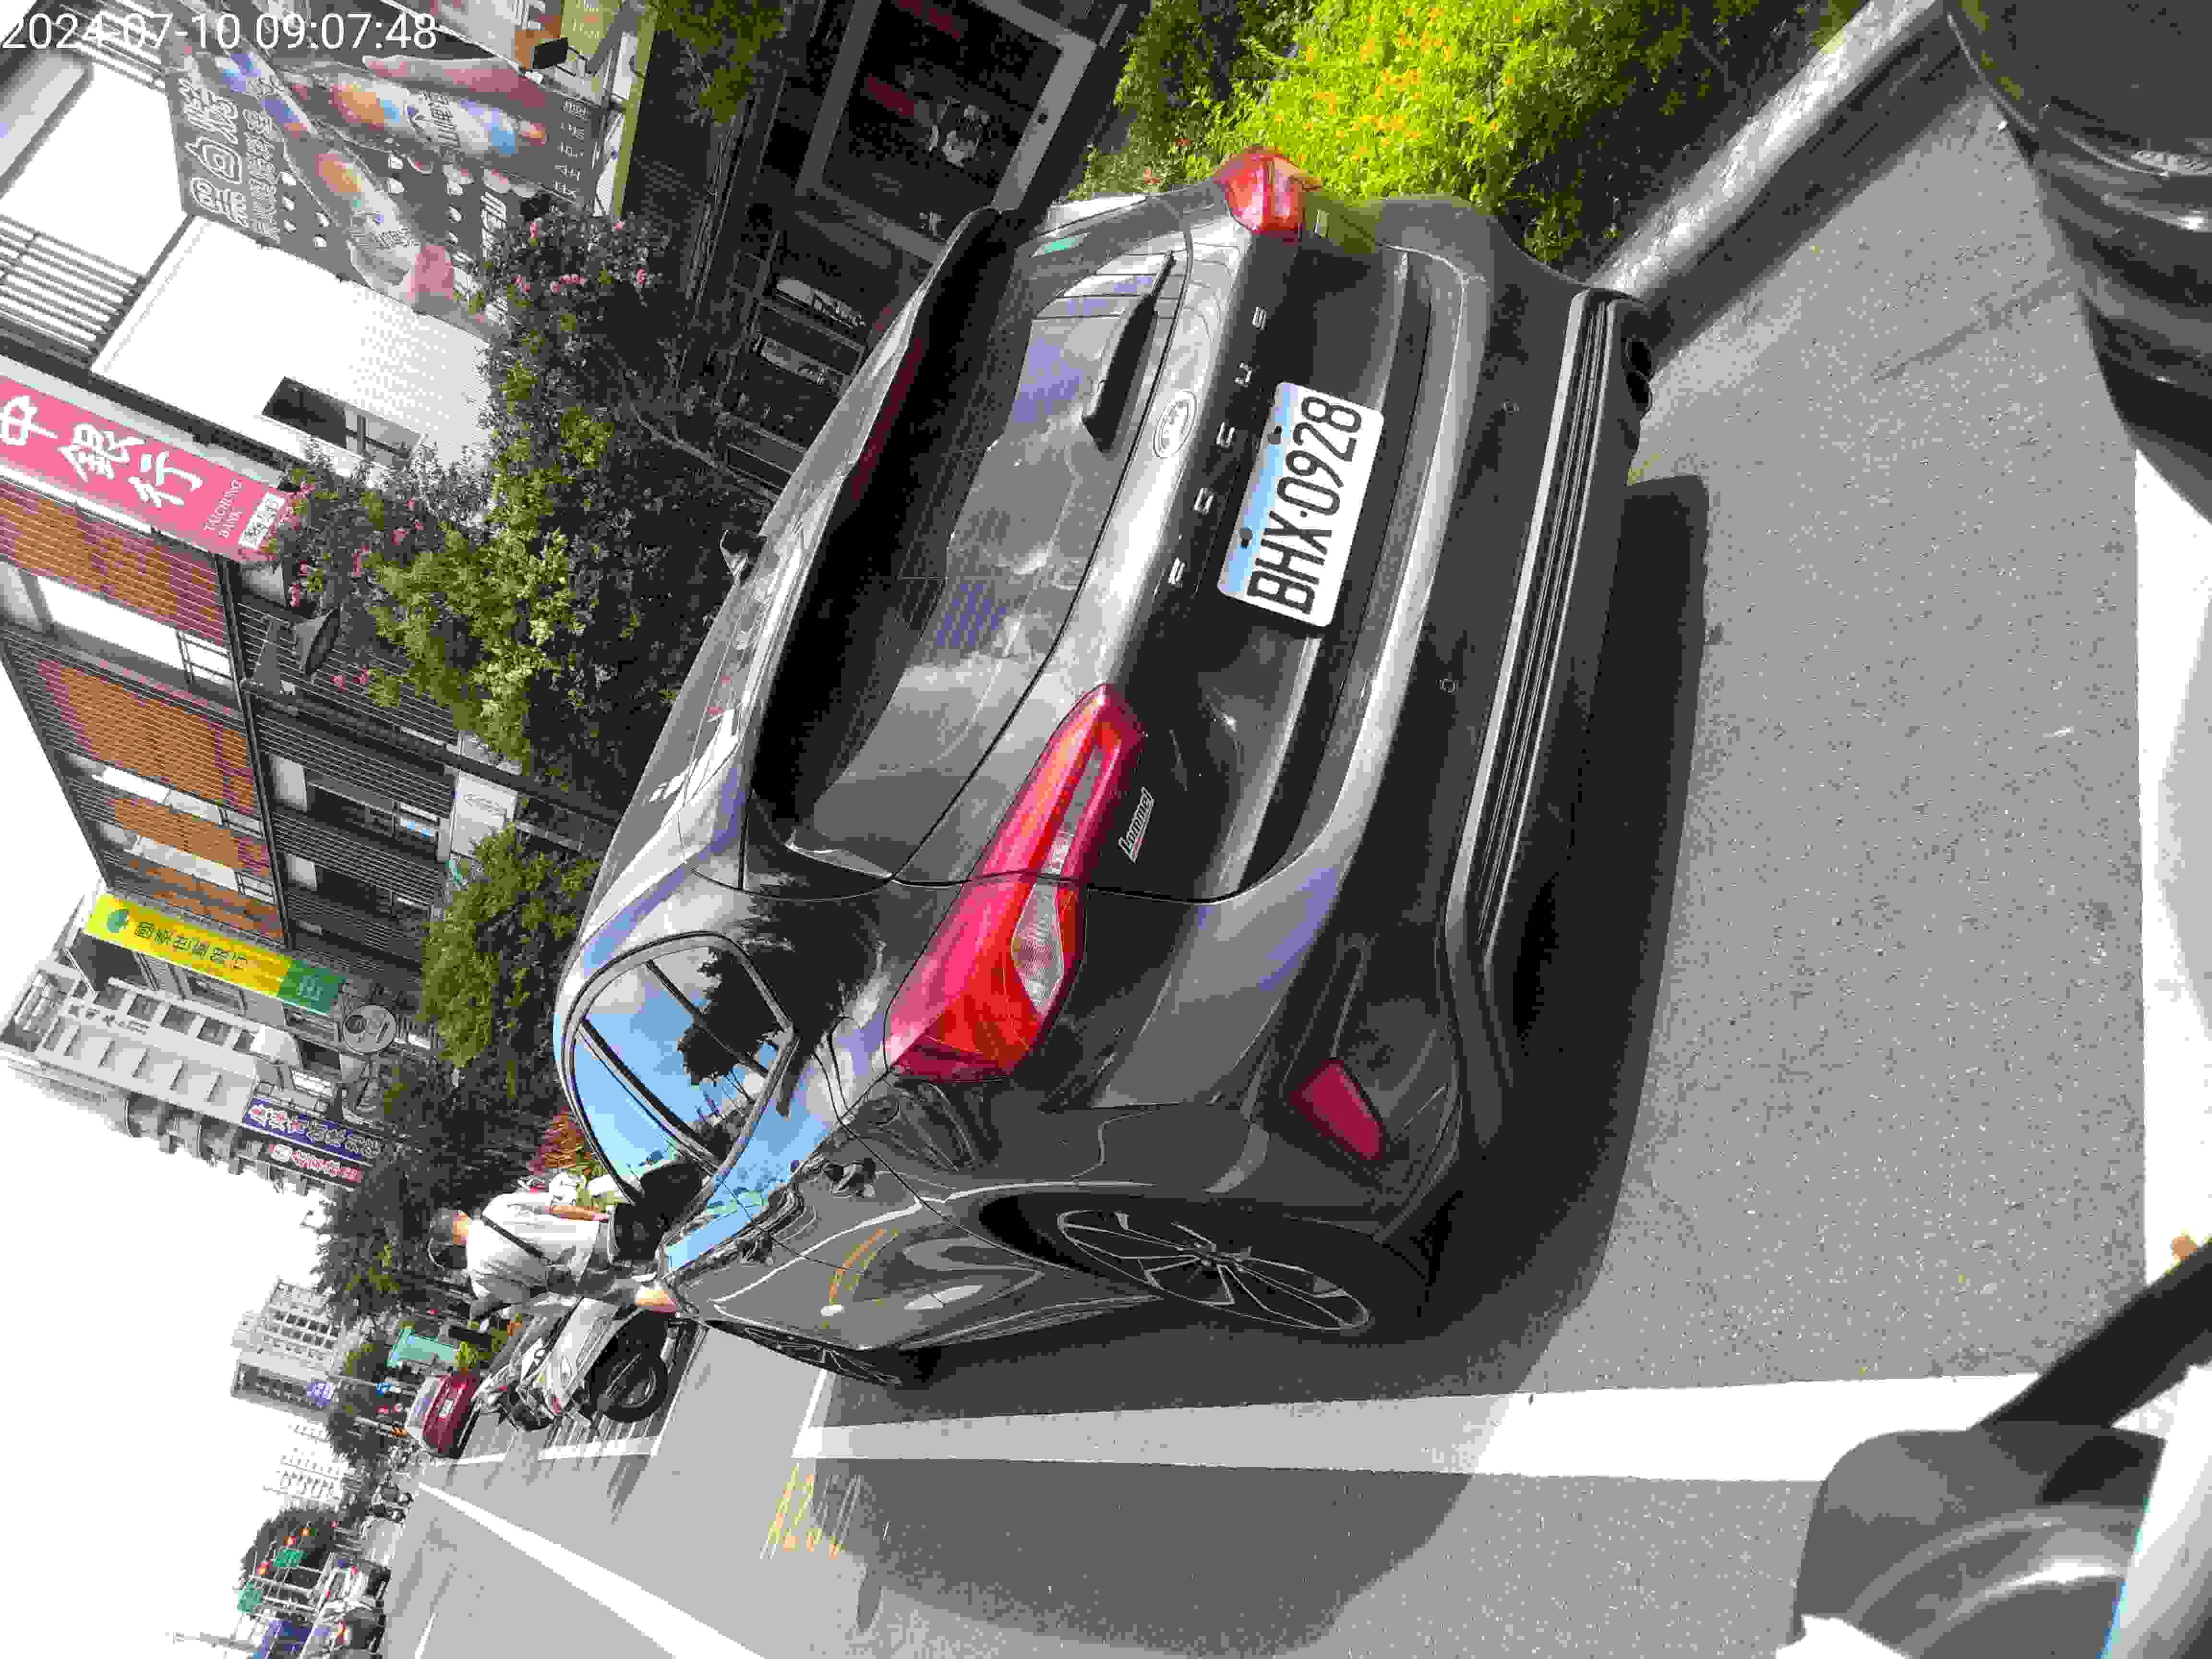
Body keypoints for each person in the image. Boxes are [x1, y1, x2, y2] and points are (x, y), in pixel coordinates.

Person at [424, 1191, 681, 1322]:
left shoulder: (478, 1270)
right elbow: (556, 1209)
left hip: (571, 1278)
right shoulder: (499, 1205)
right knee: (653, 1257)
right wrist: (595, 1217)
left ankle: (686, 1304)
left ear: (451, 1241)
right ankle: (692, 1270)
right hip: (590, 1237)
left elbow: (519, 1296)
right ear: (459, 1214)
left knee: (633, 1294)